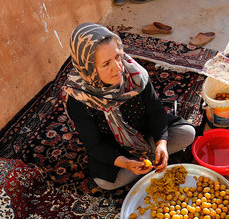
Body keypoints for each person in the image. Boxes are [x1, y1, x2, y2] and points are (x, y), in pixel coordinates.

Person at [64, 23, 195, 190]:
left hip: (143, 130)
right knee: (106, 183)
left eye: (117, 56)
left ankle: (149, 156)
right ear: (89, 68)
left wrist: (161, 143)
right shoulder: (78, 98)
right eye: (106, 64)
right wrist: (126, 163)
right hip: (113, 147)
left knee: (187, 133)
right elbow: (95, 145)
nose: (118, 67)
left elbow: (155, 110)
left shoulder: (134, 75)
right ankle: (142, 161)